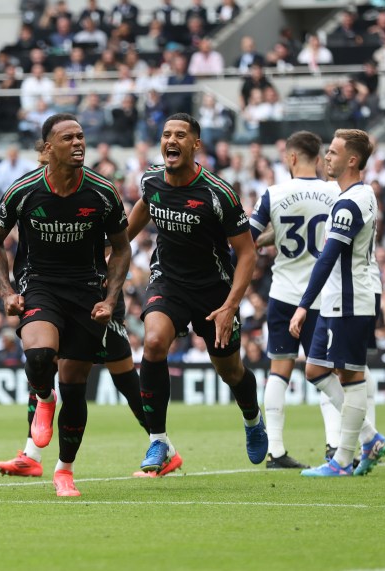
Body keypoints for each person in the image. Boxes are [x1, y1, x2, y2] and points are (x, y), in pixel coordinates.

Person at [0, 114, 131, 496]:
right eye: (68, 138)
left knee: (76, 386)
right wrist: (6, 290)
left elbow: (122, 245)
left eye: (81, 136)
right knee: (39, 356)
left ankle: (64, 471)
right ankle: (44, 399)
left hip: (87, 291)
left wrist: (111, 297)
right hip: (40, 286)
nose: (78, 143)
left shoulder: (102, 191)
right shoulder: (24, 190)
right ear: (48, 149)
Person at [126, 113, 267, 476]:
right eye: (166, 134)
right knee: (154, 343)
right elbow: (138, 215)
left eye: (181, 135)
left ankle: (252, 419)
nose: (171, 140)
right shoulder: (151, 180)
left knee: (230, 371)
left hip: (214, 292)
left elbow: (247, 253)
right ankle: (158, 440)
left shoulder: (217, 193)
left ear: (195, 144)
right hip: (168, 281)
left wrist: (230, 306)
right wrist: (108, 252)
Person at [290, 129, 385, 477]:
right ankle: (369, 438)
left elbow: (328, 256)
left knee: (350, 376)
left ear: (352, 160)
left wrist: (304, 304)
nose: (326, 157)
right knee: (316, 370)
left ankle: (343, 461)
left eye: (332, 152)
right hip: (338, 299)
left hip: (351, 300)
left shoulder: (351, 203)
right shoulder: (356, 194)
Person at [249, 131, 336, 469]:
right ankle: (334, 447)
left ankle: (277, 452)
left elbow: (249, 240)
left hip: (283, 294)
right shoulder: (334, 193)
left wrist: (273, 236)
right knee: (325, 373)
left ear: (292, 157)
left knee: (278, 373)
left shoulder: (273, 194)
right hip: (322, 295)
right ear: (318, 158)